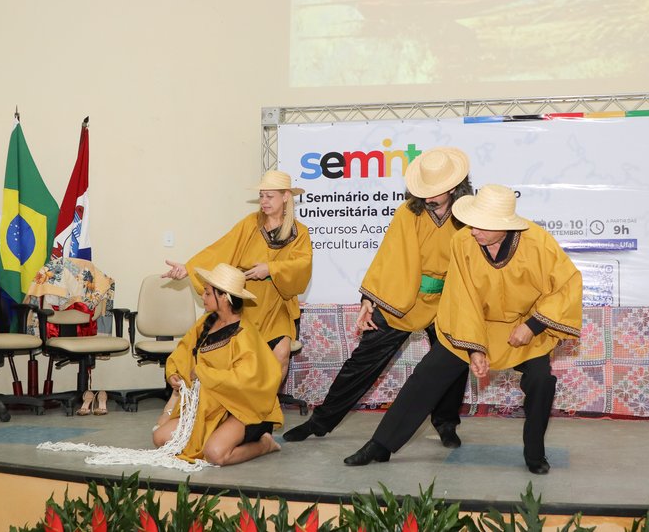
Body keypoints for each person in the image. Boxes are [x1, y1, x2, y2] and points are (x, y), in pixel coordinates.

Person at [343, 184, 583, 474]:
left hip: (525, 328)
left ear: (504, 225)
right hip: (475, 325)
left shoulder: (538, 242)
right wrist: (473, 348)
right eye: (472, 223)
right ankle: (380, 445)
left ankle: (535, 454)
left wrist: (532, 326)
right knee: (427, 374)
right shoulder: (463, 241)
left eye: (481, 225)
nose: (473, 230)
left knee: (541, 380)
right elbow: (462, 297)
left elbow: (568, 285)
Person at [283, 147, 473, 447]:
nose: (427, 196)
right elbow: (389, 256)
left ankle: (446, 423)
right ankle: (320, 422)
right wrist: (368, 300)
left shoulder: (467, 216)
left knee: (453, 361)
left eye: (435, 190)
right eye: (424, 189)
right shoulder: (408, 213)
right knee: (362, 362)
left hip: (447, 301)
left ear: (454, 188)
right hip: (401, 297)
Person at [164, 170, 312, 382]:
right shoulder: (251, 223)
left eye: (269, 196)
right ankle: (240, 401)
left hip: (276, 306)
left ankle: (267, 401)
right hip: (247, 303)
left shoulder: (300, 233)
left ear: (286, 196)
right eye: (261, 195)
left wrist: (271, 269)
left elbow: (302, 264)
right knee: (241, 361)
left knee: (281, 356)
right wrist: (188, 268)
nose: (264, 201)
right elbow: (222, 249)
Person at [152, 263, 284, 465]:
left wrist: (203, 373)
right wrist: (173, 373)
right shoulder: (205, 323)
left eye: (207, 293)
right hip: (210, 407)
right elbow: (183, 352)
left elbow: (246, 380)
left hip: (244, 409)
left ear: (224, 297)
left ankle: (265, 444)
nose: (202, 297)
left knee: (215, 454)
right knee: (160, 438)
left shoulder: (245, 334)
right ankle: (214, 434)